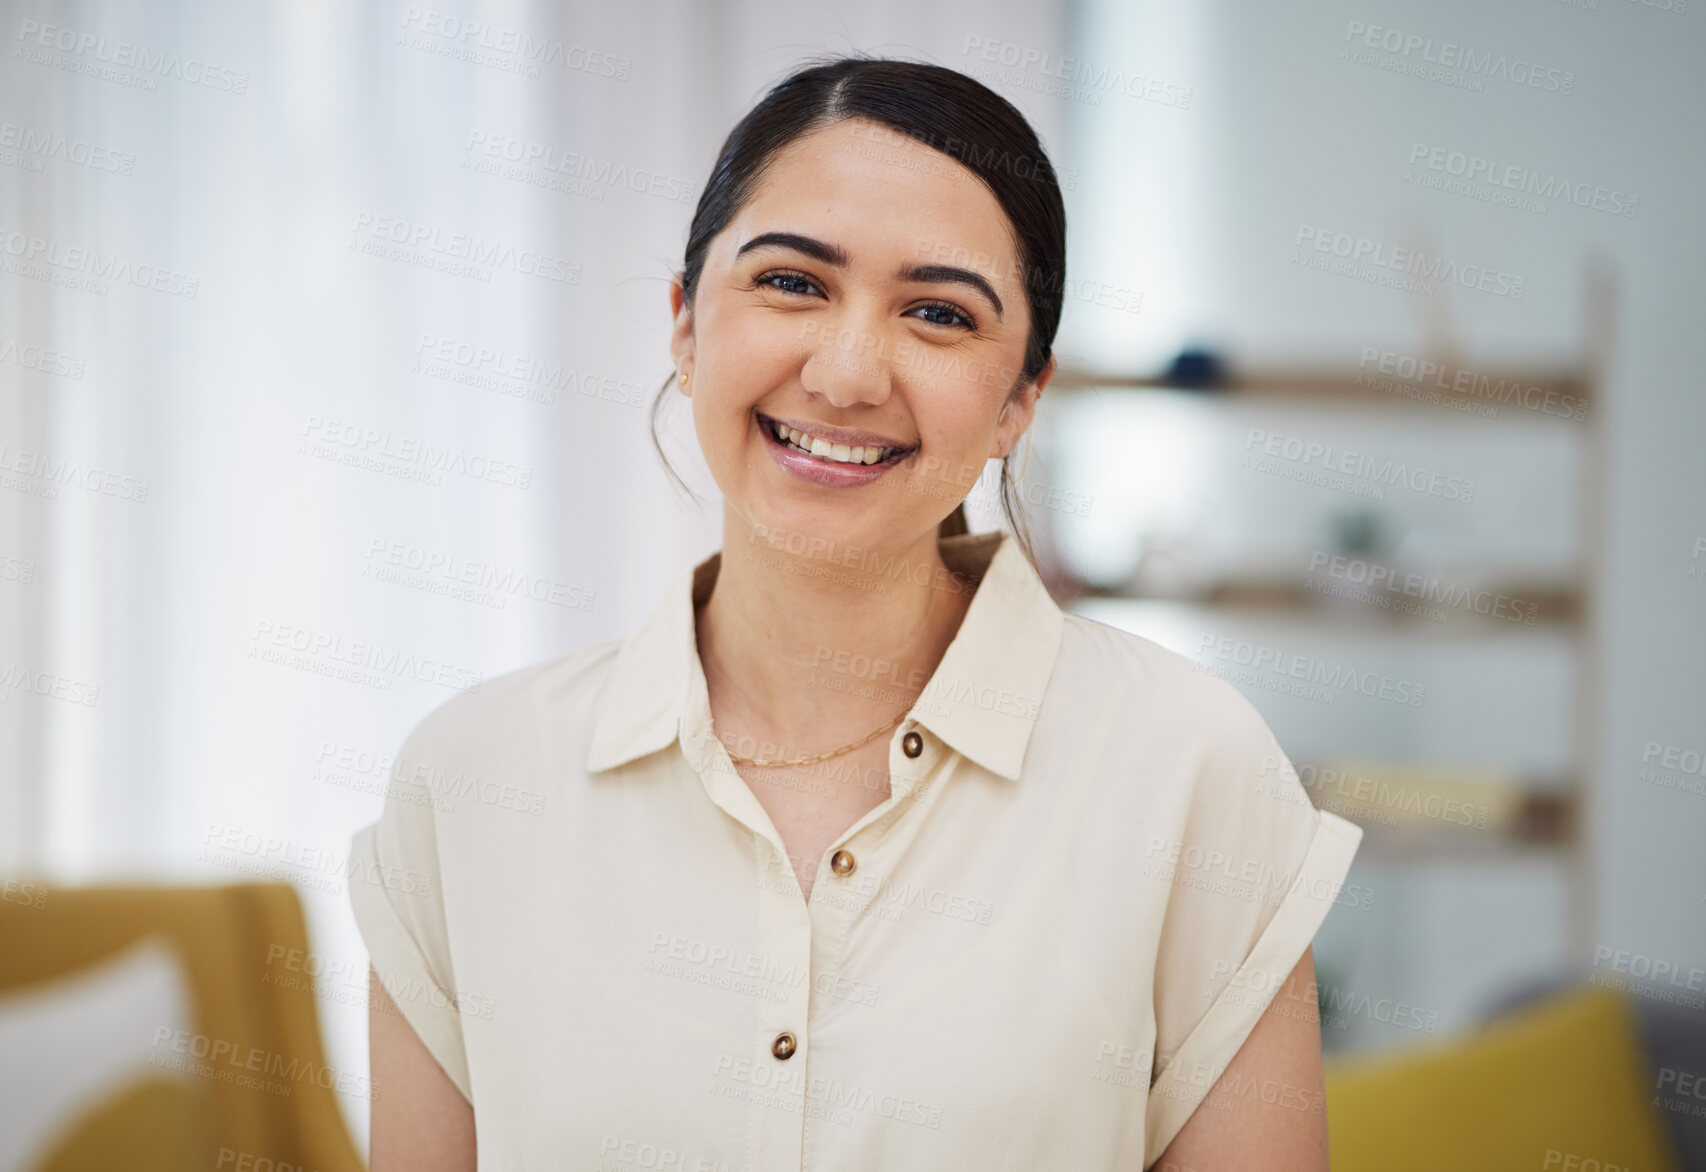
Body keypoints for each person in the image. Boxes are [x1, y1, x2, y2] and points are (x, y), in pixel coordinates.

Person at [350, 55, 1363, 1171]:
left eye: (936, 312)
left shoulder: (1190, 772)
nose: (844, 373)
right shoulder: (470, 780)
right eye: (791, 282)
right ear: (686, 326)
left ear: (1021, 395)